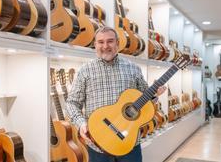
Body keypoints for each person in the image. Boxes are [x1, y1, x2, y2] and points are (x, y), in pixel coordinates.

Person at [66, 26, 166, 162]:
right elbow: (72, 103)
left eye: (110, 41)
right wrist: (81, 123)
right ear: (95, 44)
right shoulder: (85, 70)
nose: (105, 46)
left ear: (118, 43)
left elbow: (144, 100)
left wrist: (155, 93)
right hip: (97, 145)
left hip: (128, 143)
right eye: (100, 42)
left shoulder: (133, 68)